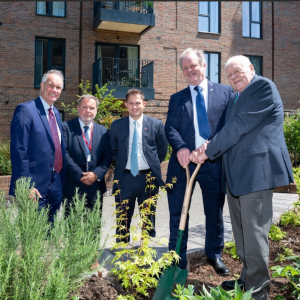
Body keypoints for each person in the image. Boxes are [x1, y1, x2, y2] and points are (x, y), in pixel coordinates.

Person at [190, 55, 294, 300]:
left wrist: (206, 152)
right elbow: (226, 130)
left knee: (255, 232)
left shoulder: (262, 87)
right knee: (241, 232)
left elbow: (238, 127)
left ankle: (259, 291)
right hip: (237, 174)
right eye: (229, 75)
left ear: (251, 68)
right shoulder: (236, 97)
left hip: (256, 171)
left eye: (237, 71)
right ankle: (248, 278)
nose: (233, 77)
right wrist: (208, 145)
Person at [165, 48, 234, 274]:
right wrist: (181, 147)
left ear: (203, 65)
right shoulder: (177, 98)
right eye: (185, 68)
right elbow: (171, 128)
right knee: (178, 212)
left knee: (214, 212)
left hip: (212, 162)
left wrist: (211, 144)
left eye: (193, 65)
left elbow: (229, 127)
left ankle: (214, 255)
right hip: (183, 165)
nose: (189, 71)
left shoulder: (226, 93)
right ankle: (177, 259)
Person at [109, 88, 168, 243]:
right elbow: (113, 150)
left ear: (144, 104)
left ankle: (146, 253)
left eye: (137, 103)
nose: (134, 107)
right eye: (131, 103)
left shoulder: (156, 125)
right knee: (123, 220)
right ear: (125, 105)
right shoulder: (116, 126)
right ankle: (122, 253)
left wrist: (150, 165)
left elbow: (162, 151)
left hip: (148, 179)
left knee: (148, 219)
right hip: (125, 179)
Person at [9, 69, 66, 223]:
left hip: (55, 184)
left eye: (58, 87)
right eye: (51, 85)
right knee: (33, 236)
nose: (54, 90)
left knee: (50, 232)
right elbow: (19, 150)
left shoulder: (57, 114)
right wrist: (26, 184)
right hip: (33, 186)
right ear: (42, 85)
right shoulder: (26, 110)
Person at [62, 94, 113, 216]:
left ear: (96, 110)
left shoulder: (104, 131)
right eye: (84, 107)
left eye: (91, 108)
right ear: (78, 108)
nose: (88, 111)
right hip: (72, 186)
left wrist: (96, 174)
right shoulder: (66, 128)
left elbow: (108, 156)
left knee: (93, 230)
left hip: (95, 188)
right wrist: (80, 175)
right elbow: (63, 153)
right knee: (72, 230)